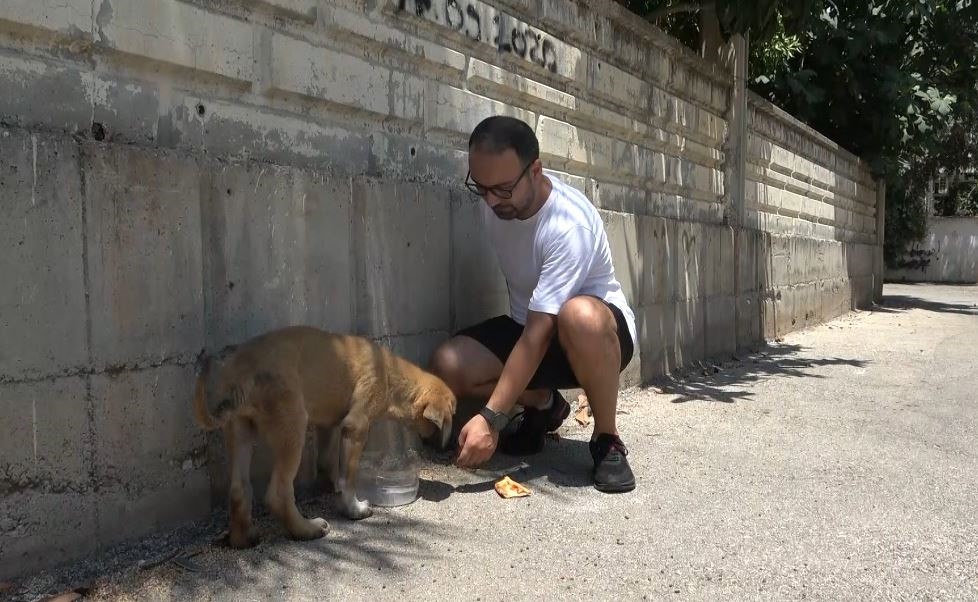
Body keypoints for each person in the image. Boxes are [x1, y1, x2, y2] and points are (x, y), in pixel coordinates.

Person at [429, 116, 638, 493]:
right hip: (532, 330)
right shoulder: (494, 203)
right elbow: (531, 330)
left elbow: (540, 334)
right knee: (448, 364)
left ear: (535, 170)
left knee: (580, 316)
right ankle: (544, 404)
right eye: (482, 188)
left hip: (596, 338)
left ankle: (607, 438)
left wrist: (491, 418)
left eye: (503, 189)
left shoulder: (568, 224)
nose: (492, 201)